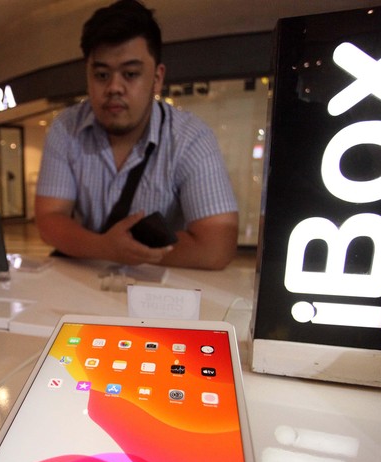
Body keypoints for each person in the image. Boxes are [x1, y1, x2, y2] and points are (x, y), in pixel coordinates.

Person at [35, 0, 238, 270]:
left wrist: (126, 251)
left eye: (130, 74)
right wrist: (104, 247)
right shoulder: (66, 128)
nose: (114, 87)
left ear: (157, 78)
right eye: (101, 75)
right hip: (84, 278)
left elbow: (216, 247)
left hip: (156, 285)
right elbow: (49, 219)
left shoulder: (190, 139)